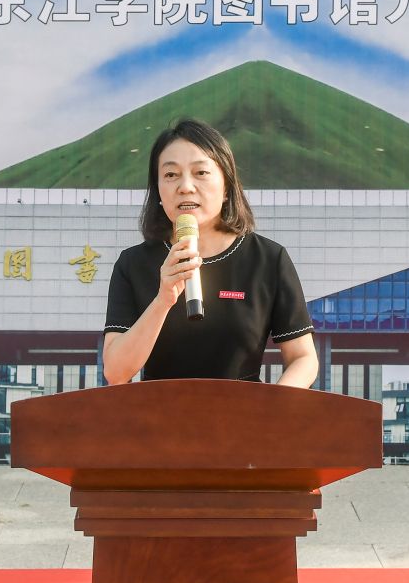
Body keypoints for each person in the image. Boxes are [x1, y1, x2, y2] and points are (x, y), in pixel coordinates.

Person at [102, 118, 320, 387]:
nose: (185, 186)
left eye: (201, 173)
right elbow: (116, 372)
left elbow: (303, 358)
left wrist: (274, 406)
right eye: (170, 175)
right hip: (159, 412)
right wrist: (163, 301)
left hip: (245, 411)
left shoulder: (267, 259)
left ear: (227, 187)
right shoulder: (133, 264)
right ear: (157, 190)